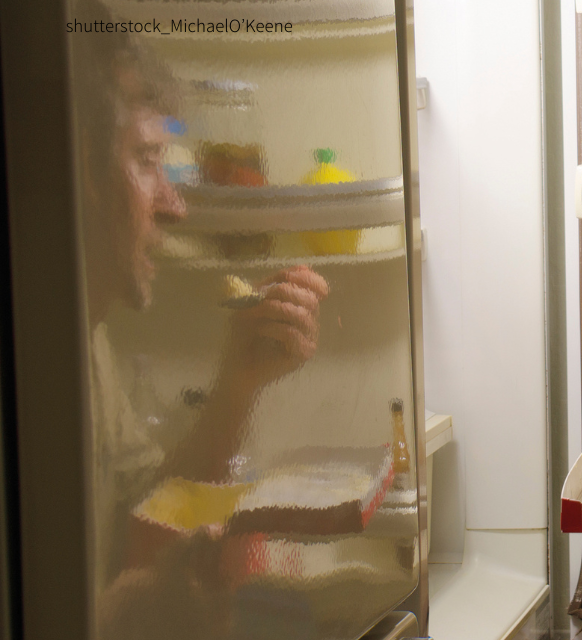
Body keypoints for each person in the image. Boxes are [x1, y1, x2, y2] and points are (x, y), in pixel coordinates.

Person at [68, 6, 329, 637]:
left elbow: (144, 512)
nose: (175, 205)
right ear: (77, 172)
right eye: (148, 159)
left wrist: (238, 383)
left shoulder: (88, 341)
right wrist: (127, 612)